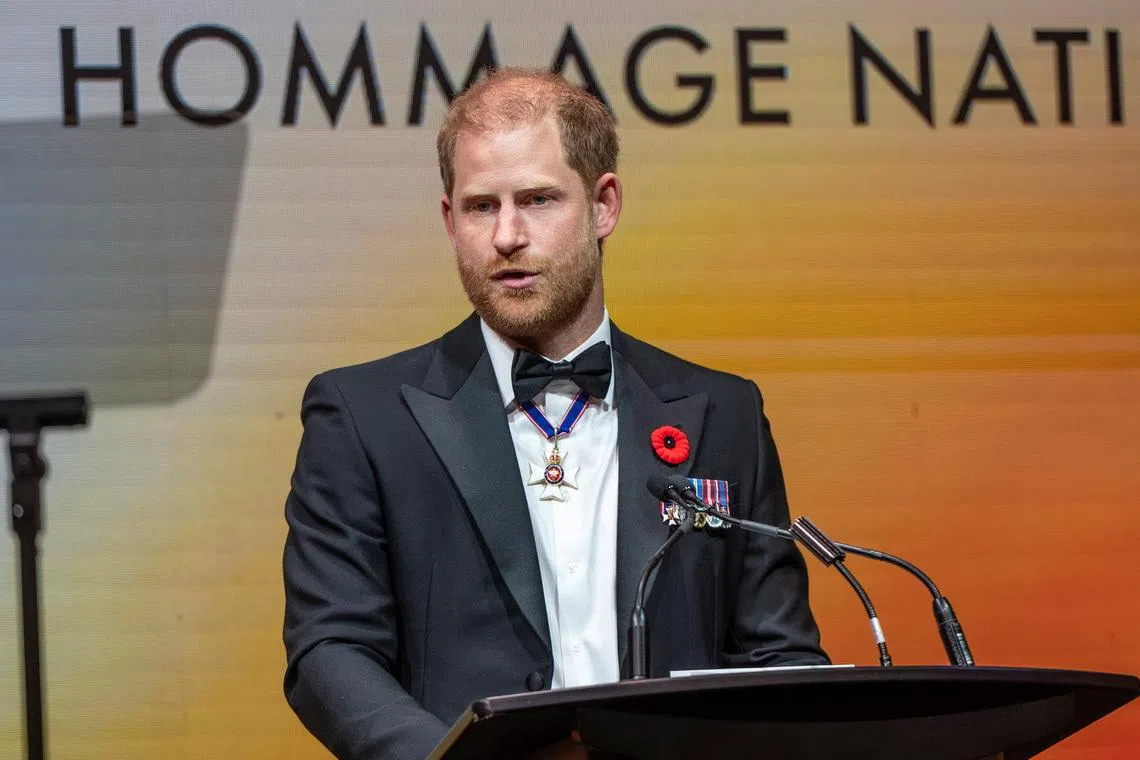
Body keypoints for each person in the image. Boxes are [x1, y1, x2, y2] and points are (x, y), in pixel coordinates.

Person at [281, 67, 828, 760]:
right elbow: (330, 651)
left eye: (538, 200)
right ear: (450, 221)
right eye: (481, 207)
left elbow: (778, 657)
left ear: (604, 206)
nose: (507, 235)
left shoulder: (724, 413)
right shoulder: (364, 418)